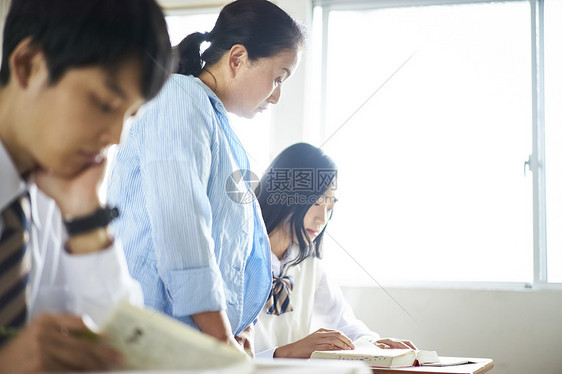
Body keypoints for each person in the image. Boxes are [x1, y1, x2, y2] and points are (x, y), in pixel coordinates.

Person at [106, 0, 305, 356]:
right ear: (237, 58)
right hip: (157, 342)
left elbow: (234, 246)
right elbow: (182, 229)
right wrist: (220, 337)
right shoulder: (179, 100)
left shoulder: (213, 120)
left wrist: (241, 329)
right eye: (278, 78)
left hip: (190, 343)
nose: (276, 96)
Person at [0, 0, 172, 371]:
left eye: (130, 115)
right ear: (28, 65)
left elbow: (123, 351)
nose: (116, 137)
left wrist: (86, 216)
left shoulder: (57, 193)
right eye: (106, 104)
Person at [254, 143, 416, 358]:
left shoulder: (309, 265)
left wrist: (374, 343)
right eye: (315, 202)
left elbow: (343, 323)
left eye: (329, 208)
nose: (322, 219)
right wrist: (286, 352)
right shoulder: (237, 258)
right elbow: (216, 357)